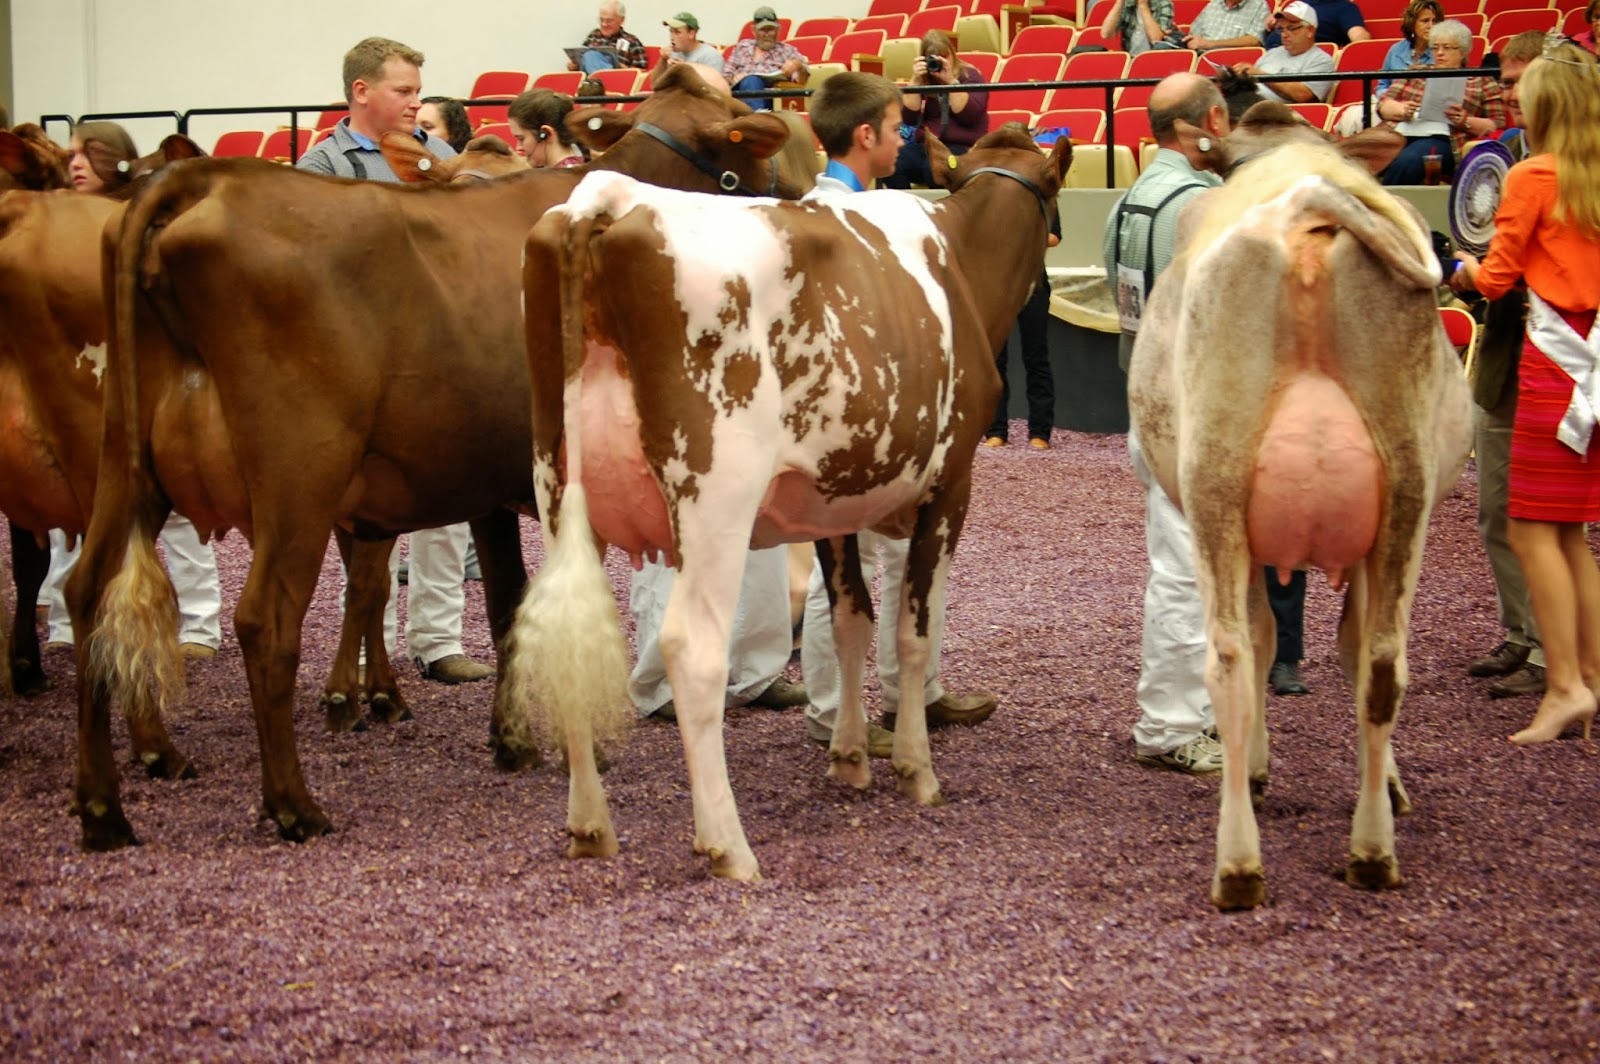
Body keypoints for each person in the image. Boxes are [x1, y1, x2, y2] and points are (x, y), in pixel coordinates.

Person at [800, 70, 998, 757]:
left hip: (888, 420)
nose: (904, 138)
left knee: (887, 557)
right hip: (844, 420)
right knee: (838, 559)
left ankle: (904, 692)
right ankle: (831, 713)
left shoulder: (873, 210)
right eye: (896, 128)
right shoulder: (830, 218)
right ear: (864, 135)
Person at [298, 38, 493, 685]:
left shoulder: (438, 156)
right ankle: (364, 646)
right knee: (361, 512)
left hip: (439, 359)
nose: (417, 102)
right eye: (404, 91)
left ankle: (438, 641)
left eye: (417, 91)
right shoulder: (323, 164)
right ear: (361, 92)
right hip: (362, 368)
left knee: (448, 509)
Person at [1449, 43, 1600, 745]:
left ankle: (1565, 683)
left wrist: (1459, 264)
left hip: (1549, 366)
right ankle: (1588, 677)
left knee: (1533, 527)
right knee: (1572, 535)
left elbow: (1494, 281)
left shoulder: (1533, 176)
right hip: (1590, 364)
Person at [43, 121, 225, 661]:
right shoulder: (53, 225)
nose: (75, 163)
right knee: (75, 505)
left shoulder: (145, 220)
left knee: (173, 505)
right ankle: (65, 616)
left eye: (88, 153)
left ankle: (200, 622)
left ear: (115, 161)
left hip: (144, 371)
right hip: (84, 377)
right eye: (71, 153)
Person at [1104, 72, 1231, 775]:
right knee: (1186, 569)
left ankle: (1189, 711)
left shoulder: (1130, 200)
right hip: (1191, 403)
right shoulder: (1202, 203)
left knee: (1183, 563)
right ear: (1207, 120)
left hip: (1146, 397)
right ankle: (1173, 723)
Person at [1466, 30, 1549, 701]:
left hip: (1565, 359)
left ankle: (1559, 655)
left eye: (1523, 79)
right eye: (1508, 78)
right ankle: (1521, 633)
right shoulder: (1495, 160)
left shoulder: (1573, 164)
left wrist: (1485, 274)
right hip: (1502, 354)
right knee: (1497, 509)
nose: (1512, 92)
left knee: (1556, 521)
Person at [1376, 19, 1506, 186]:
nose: (1439, 53)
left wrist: (1466, 121)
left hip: (1445, 139)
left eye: (1447, 48)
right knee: (1354, 154)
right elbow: (1384, 104)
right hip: (1401, 131)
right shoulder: (1416, 71)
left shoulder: (1481, 80)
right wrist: (1402, 110)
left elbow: (1497, 125)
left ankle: (1385, 208)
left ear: (1463, 51)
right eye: (1435, 47)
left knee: (1410, 158)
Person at [881, 31, 989, 190]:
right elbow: (909, 118)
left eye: (944, 57)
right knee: (887, 159)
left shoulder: (969, 75)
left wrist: (950, 81)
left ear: (952, 54)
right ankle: (905, 206)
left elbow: (970, 115)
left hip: (961, 147)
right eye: (933, 58)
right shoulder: (925, 79)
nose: (939, 63)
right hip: (926, 145)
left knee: (933, 169)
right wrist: (915, 82)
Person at [1235, 2, 1336, 103]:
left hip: (1278, 114)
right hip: (1245, 104)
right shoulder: (1272, 53)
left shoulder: (1321, 60)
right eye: (1281, 29)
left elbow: (1302, 95)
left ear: (1310, 31)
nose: (1284, 35)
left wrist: (1259, 74)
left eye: (1291, 28)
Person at [724, 6, 810, 111]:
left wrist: (798, 65)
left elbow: (802, 80)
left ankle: (756, 119)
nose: (767, 34)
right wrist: (734, 79)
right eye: (762, 30)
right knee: (748, 81)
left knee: (752, 80)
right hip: (737, 96)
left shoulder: (787, 51)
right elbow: (725, 75)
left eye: (771, 30)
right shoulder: (742, 47)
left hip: (769, 99)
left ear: (778, 30)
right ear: (753, 30)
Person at [1376, 0, 1442, 97]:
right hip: (1395, 106)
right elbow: (1382, 86)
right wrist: (1389, 101)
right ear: (1412, 24)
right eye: (1425, 21)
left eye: (1435, 21)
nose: (1431, 26)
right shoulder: (1396, 50)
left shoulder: (1443, 52)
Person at [508, 89, 586, 168]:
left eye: (521, 139)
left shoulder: (565, 177)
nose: (518, 148)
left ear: (546, 134)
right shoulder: (575, 154)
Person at [567, 1, 649, 75]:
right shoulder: (593, 35)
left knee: (591, 55)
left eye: (609, 21)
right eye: (601, 20)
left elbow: (642, 73)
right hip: (588, 84)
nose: (604, 24)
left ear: (622, 20)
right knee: (589, 56)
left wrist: (625, 69)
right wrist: (573, 66)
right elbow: (581, 61)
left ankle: (606, 78)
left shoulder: (632, 41)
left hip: (618, 81)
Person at [1261, 0, 1371, 47]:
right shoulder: (1296, 3)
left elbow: (1359, 37)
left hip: (1300, 57)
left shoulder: (1344, 7)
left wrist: (1361, 39)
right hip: (1271, 54)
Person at [1183, 0, 1271, 52]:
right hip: (1201, 57)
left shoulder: (1259, 5)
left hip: (1232, 61)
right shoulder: (1214, 4)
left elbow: (1255, 40)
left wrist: (1210, 44)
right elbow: (1193, 35)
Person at [1100, 0, 1179, 56]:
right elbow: (1106, 34)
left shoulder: (1164, 3)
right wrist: (1119, 2)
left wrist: (1143, 5)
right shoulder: (1127, 4)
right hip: (1130, 59)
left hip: (1154, 58)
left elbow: (1156, 40)